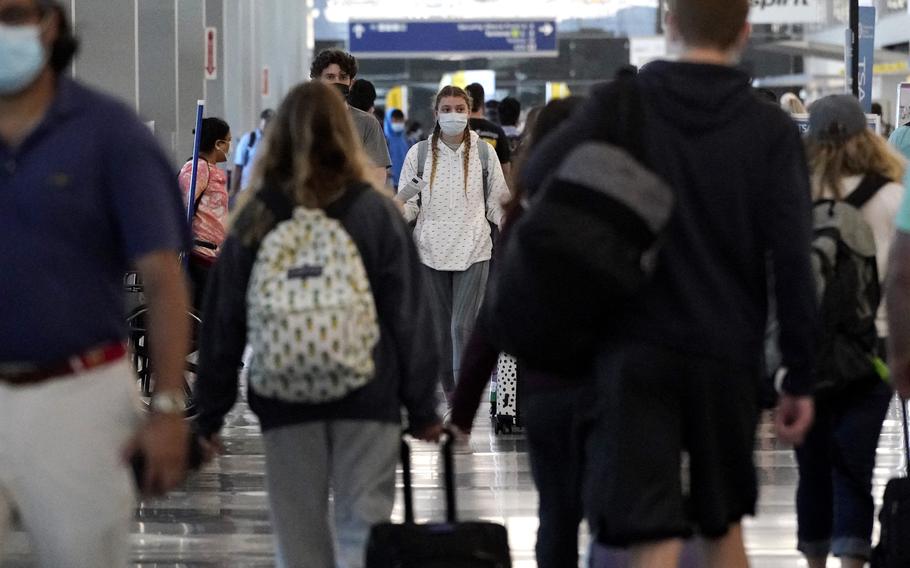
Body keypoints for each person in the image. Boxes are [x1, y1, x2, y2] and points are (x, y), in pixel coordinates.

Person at [521, 0, 817, 566]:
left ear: (669, 24)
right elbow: (793, 260)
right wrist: (798, 374)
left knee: (646, 529)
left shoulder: (620, 107)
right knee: (721, 523)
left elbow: (537, 175)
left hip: (633, 349)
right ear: (745, 32)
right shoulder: (769, 130)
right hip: (727, 353)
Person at [192, 81, 442, 568]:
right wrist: (423, 406)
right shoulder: (374, 213)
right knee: (362, 529)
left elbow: (224, 321)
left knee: (299, 536)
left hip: (287, 398)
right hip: (369, 395)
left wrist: (210, 416)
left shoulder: (257, 215)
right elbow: (408, 312)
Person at [0, 0, 192, 565]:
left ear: (49, 23)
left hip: (79, 397)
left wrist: (167, 406)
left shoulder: (110, 134)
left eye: (12, 14)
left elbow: (163, 280)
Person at [450, 96, 588, 568]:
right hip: (618, 386)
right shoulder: (625, 206)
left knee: (558, 514)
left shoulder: (526, 214)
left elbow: (497, 315)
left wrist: (463, 410)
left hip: (548, 388)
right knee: (623, 514)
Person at [796, 95, 904, 568]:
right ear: (867, 135)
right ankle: (851, 559)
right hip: (874, 347)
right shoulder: (894, 194)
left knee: (813, 465)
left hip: (809, 346)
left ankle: (815, 559)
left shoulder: (796, 191)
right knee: (853, 464)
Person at [397, 85, 509, 403]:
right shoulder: (418, 154)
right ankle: (450, 394)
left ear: (470, 111)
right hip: (429, 250)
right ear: (436, 114)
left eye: (459, 108)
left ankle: (463, 395)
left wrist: (510, 221)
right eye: (446, 109)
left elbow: (497, 201)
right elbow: (410, 203)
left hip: (474, 248)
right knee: (438, 330)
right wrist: (398, 207)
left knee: (462, 325)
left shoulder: (484, 153)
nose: (453, 114)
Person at [310, 49, 391, 189]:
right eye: (330, 77)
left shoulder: (367, 123)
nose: (337, 82)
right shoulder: (303, 119)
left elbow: (377, 173)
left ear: (351, 82)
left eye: (343, 77)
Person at [178, 117, 232, 310]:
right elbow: (182, 206)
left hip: (214, 255)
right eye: (227, 141)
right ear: (218, 143)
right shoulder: (196, 169)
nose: (229, 147)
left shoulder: (211, 170)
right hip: (199, 255)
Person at [465, 82, 512, 178]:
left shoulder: (458, 131)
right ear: (483, 101)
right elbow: (505, 170)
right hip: (489, 188)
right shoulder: (497, 131)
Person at [230, 108, 274, 200]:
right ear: (261, 121)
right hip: (247, 189)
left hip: (268, 190)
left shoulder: (275, 142)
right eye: (266, 121)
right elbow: (238, 166)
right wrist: (234, 191)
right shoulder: (249, 139)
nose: (267, 125)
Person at [385, 108, 412, 189]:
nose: (398, 123)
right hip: (390, 183)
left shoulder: (408, 140)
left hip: (406, 183)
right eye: (395, 120)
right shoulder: (384, 140)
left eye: (400, 120)